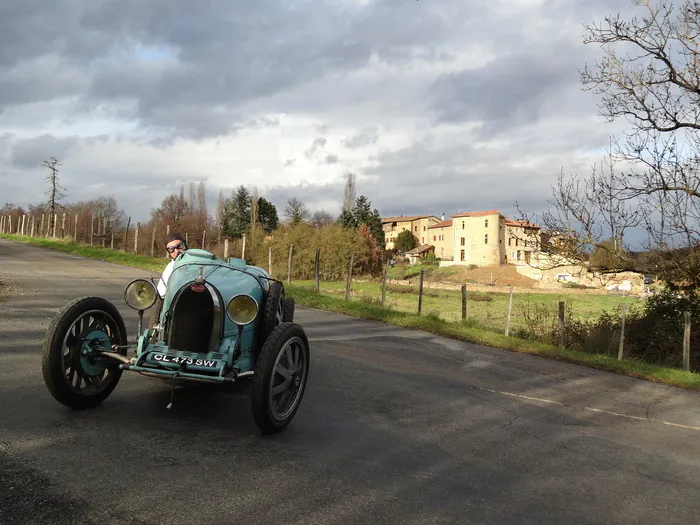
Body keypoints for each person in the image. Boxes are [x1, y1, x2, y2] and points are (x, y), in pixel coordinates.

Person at [157, 232, 188, 298]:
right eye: (171, 249)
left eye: (179, 246)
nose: (176, 251)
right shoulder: (170, 268)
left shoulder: (199, 262)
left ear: (185, 246)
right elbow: (161, 293)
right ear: (169, 252)